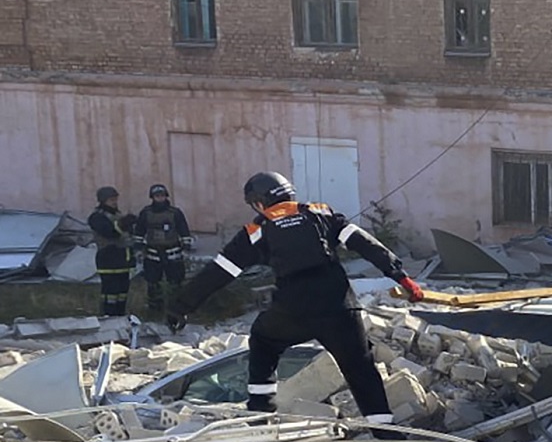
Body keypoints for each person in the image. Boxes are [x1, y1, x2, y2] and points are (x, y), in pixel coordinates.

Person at [168, 172, 425, 423]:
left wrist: (182, 307)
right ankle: (385, 430)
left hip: (293, 311)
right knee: (360, 367)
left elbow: (218, 272)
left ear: (259, 202)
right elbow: (364, 243)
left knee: (263, 339)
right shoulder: (320, 212)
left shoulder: (257, 230)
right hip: (340, 307)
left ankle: (260, 411)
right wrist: (402, 277)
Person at [133, 183, 194, 318]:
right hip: (152, 254)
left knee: (175, 282)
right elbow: (139, 231)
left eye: (161, 195)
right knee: (153, 283)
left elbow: (184, 230)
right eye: (156, 196)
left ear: (165, 196)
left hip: (173, 253)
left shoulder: (175, 213)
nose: (159, 198)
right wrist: (138, 248)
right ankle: (155, 310)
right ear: (152, 197)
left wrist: (186, 247)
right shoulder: (146, 213)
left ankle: (177, 310)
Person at [88, 186, 137, 317]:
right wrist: (123, 224)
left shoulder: (118, 215)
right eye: (111, 200)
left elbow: (128, 236)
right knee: (110, 292)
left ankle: (121, 316)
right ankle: (108, 316)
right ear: (103, 201)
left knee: (122, 293)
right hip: (108, 259)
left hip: (123, 260)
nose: (114, 202)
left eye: (115, 199)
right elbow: (109, 233)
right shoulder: (96, 217)